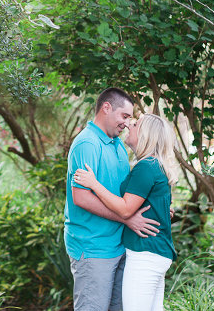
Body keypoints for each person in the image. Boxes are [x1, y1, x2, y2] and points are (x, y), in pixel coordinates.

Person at [65, 88, 161, 311]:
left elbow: (127, 192)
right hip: (93, 247)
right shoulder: (87, 144)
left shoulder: (117, 143)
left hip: (119, 245)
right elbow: (81, 197)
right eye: (125, 116)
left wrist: (158, 207)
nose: (128, 124)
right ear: (106, 108)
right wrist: (126, 219)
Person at [74, 113, 178, 311]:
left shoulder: (147, 167)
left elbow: (125, 209)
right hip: (154, 253)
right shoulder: (156, 165)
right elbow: (159, 199)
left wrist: (93, 184)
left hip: (145, 255)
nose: (130, 125)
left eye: (136, 124)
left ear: (146, 134)